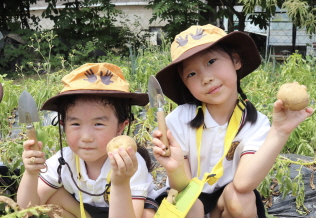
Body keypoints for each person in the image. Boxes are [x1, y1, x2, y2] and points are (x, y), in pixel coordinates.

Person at [151, 24, 313, 218]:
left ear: (235, 60)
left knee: (241, 199)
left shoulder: (255, 123)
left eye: (211, 61)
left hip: (225, 201)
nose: (206, 78)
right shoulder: (178, 120)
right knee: (190, 208)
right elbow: (182, 189)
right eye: (191, 74)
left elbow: (244, 184)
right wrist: (175, 168)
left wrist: (280, 131)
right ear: (185, 84)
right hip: (188, 194)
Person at [17, 63, 158, 218]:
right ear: (63, 125)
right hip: (86, 212)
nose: (86, 137)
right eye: (75, 124)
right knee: (53, 198)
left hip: (126, 211)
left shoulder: (130, 164)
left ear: (121, 127)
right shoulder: (64, 160)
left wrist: (120, 183)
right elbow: (26, 210)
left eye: (98, 124)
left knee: (147, 215)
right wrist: (30, 174)